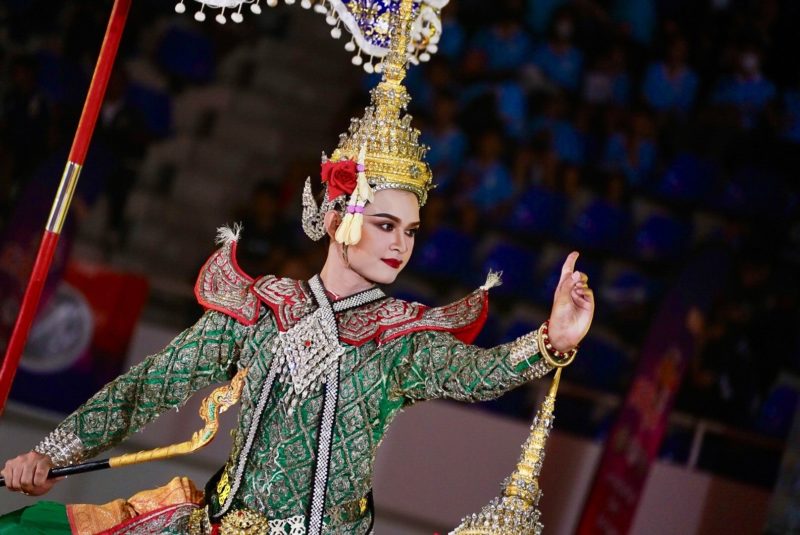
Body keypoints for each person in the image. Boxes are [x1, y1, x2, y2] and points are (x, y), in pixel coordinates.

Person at [0, 2, 595, 533]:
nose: (401, 245)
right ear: (336, 220)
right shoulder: (262, 308)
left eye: (411, 231)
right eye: (385, 225)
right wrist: (52, 453)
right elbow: (150, 385)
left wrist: (551, 342)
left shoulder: (399, 339)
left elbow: (478, 374)